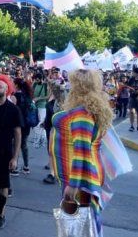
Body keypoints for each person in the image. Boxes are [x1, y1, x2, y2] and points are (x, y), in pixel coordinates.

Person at [49, 69, 115, 237]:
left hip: (79, 178)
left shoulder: (82, 113)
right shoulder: (86, 108)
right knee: (82, 224)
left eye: (72, 82)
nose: (69, 86)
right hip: (82, 175)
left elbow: (82, 149)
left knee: (79, 226)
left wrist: (73, 184)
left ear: (78, 85)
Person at [0, 75, 22, 230]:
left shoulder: (13, 110)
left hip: (4, 152)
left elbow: (17, 134)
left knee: (2, 184)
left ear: (7, 89)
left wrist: (15, 157)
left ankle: (0, 215)